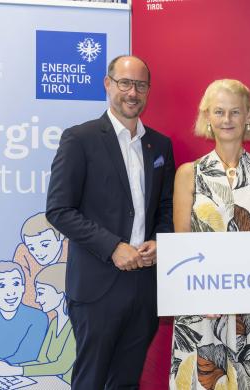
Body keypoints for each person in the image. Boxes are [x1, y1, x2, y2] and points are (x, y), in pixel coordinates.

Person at [46, 55, 175, 389]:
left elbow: (165, 207)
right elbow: (59, 209)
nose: (132, 93)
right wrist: (112, 247)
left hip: (145, 286)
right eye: (125, 83)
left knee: (127, 381)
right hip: (97, 286)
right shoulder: (80, 139)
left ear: (148, 90)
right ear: (108, 84)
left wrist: (160, 241)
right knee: (91, 380)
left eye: (140, 85)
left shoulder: (159, 145)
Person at [168, 79, 250, 390]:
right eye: (219, 112)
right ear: (207, 116)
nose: (227, 120)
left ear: (248, 116)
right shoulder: (188, 174)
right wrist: (198, 296)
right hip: (202, 304)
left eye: (235, 112)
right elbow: (181, 244)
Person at [0, 262, 76, 384]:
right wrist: (8, 367)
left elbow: (61, 366)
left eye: (41, 293)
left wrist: (14, 370)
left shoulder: (76, 326)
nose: (37, 299)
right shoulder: (55, 323)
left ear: (61, 293)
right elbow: (41, 360)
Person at [12, 212, 68, 309]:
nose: (38, 253)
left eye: (45, 245)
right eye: (32, 248)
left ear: (61, 236)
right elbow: (26, 296)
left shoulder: (71, 249)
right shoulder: (24, 253)